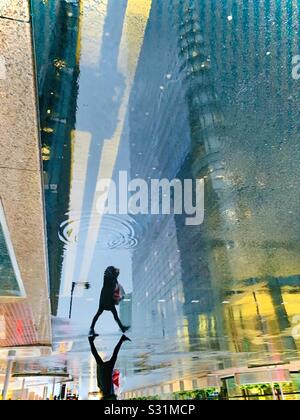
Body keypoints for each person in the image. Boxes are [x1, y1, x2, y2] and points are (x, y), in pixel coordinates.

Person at [89, 266, 130, 335]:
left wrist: (119, 297)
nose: (117, 274)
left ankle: (122, 328)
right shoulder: (108, 277)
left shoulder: (113, 279)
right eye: (115, 272)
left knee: (110, 314)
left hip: (108, 299)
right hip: (105, 299)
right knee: (100, 313)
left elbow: (116, 288)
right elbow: (112, 277)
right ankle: (91, 329)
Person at [88, 334, 131, 400]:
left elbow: (111, 397)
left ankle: (122, 339)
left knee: (113, 356)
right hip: (104, 380)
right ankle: (91, 341)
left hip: (106, 379)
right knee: (98, 356)